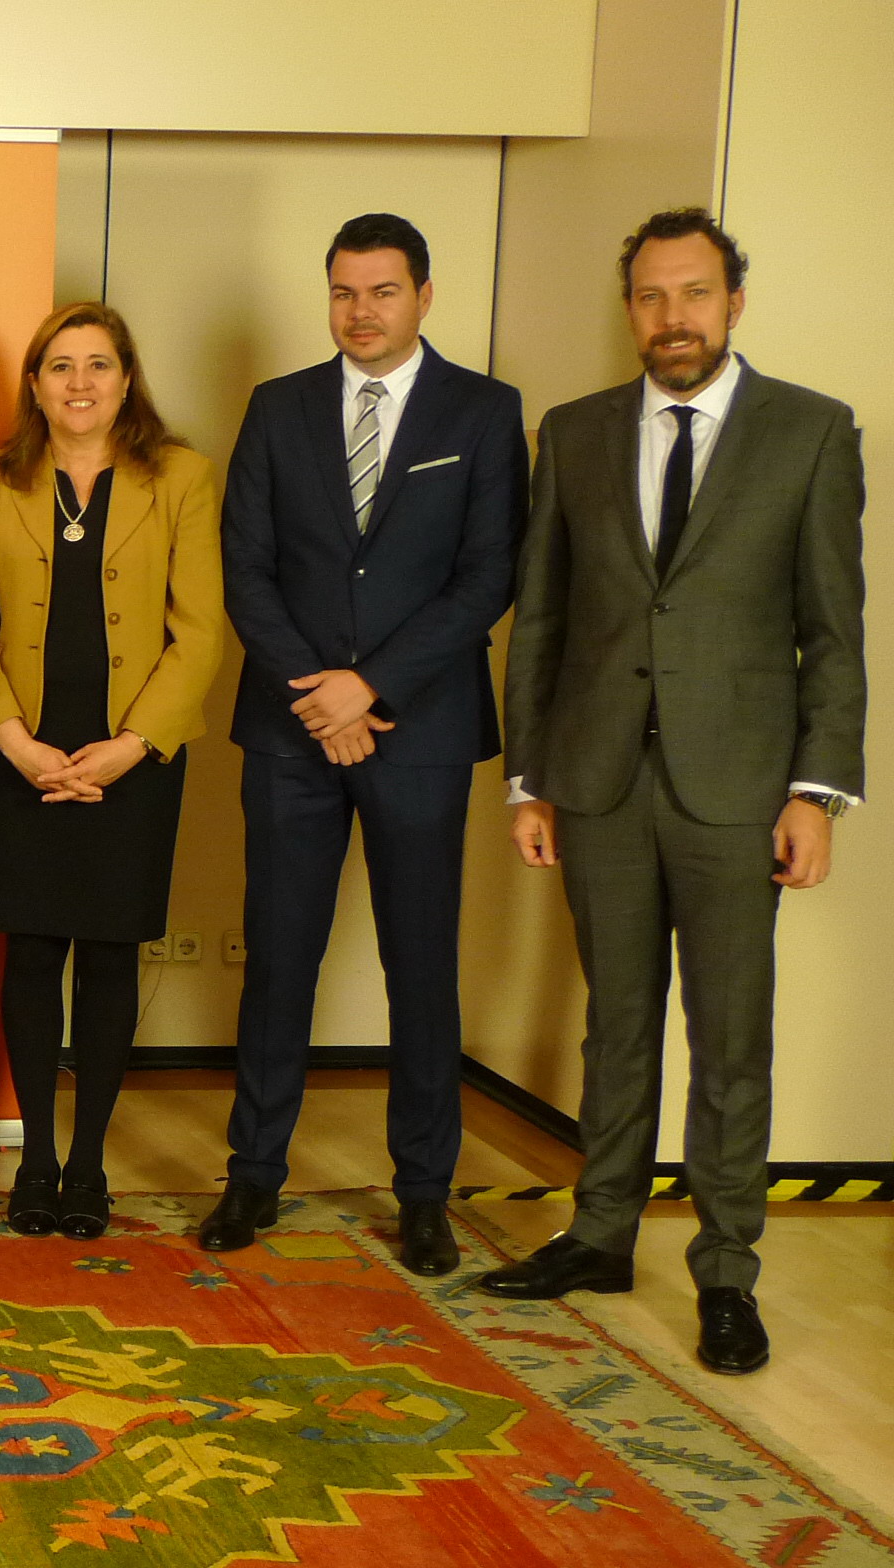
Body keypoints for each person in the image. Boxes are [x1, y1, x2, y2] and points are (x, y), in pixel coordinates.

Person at [479, 210, 865, 1376]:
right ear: (630, 308)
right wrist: (531, 778)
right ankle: (599, 1232)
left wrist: (815, 791)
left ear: (733, 302)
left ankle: (727, 1270)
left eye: (694, 293)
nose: (673, 317)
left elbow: (832, 631)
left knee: (731, 1034)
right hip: (598, 779)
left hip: (740, 790)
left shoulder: (810, 430)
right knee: (617, 1023)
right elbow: (542, 617)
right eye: (651, 296)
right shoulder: (577, 431)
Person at [204, 214, 527, 1275]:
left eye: (383, 291)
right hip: (292, 729)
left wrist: (369, 686)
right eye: (344, 291)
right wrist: (320, 695)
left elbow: (488, 575)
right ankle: (255, 1172)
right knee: (278, 959)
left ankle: (424, 1191)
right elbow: (245, 566)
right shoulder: (279, 406)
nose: (360, 312)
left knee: (420, 966)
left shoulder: (483, 411)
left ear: (424, 295)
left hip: (419, 729)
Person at [0, 304, 226, 1241]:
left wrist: (132, 745)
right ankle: (36, 1159)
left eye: (98, 365)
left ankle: (89, 1166)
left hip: (133, 755)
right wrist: (13, 740)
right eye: (61, 366)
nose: (80, 383)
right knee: (32, 954)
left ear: (126, 378)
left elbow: (200, 633)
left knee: (111, 955)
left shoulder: (182, 476)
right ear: (34, 384)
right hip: (23, 751)